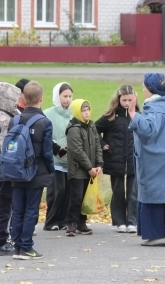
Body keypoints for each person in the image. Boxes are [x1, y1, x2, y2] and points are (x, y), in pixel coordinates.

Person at [128, 73, 165, 247]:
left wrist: (133, 115)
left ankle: (156, 234)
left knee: (155, 193)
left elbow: (148, 130)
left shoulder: (154, 107)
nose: (143, 89)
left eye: (144, 86)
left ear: (151, 89)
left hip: (157, 160)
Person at [10, 81, 54, 260]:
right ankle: (27, 246)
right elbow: (47, 151)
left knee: (18, 209)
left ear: (24, 99)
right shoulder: (44, 122)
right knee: (31, 210)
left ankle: (17, 246)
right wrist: (50, 169)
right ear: (41, 99)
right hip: (36, 171)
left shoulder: (15, 119)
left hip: (16, 169)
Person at [95, 84, 140, 233]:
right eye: (124, 100)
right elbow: (94, 129)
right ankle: (119, 221)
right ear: (118, 99)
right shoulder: (111, 116)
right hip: (115, 159)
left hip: (134, 160)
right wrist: (103, 143)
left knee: (134, 192)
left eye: (130, 100)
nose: (127, 103)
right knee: (118, 191)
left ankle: (132, 221)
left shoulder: (138, 115)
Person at [0, 82, 21, 256]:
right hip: (4, 172)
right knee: (3, 208)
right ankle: (0, 242)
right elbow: (6, 148)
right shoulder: (5, 120)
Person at [65, 99, 103, 237]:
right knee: (76, 197)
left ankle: (82, 222)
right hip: (77, 170)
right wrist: (89, 167)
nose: (86, 113)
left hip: (91, 169)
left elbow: (97, 145)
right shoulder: (74, 129)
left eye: (88, 110)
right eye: (83, 111)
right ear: (77, 112)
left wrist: (99, 164)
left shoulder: (92, 126)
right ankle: (71, 223)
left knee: (85, 198)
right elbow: (77, 151)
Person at [43, 82, 74, 231]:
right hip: (54, 158)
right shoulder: (48, 113)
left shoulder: (73, 113)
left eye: (69, 96)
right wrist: (57, 148)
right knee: (57, 191)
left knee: (67, 192)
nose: (67, 99)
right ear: (57, 96)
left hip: (69, 159)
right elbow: (46, 135)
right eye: (64, 96)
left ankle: (62, 220)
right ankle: (51, 221)